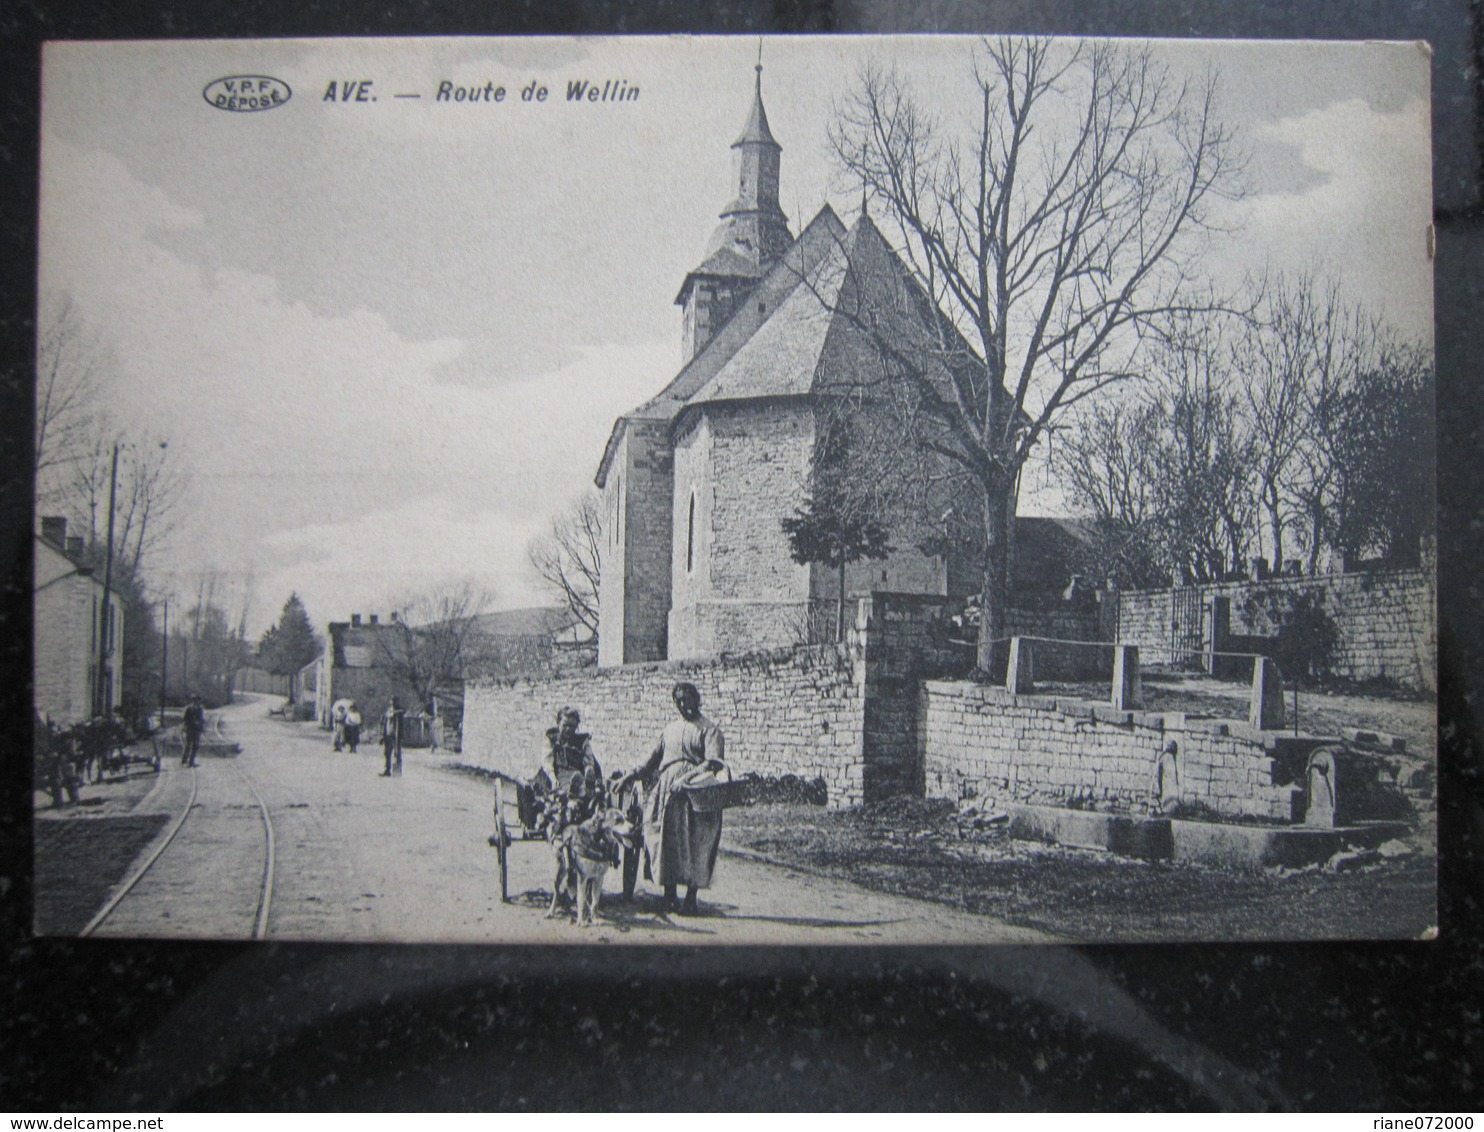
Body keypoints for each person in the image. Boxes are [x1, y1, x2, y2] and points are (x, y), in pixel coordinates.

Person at [621, 681, 725, 916]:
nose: (682, 704)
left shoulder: (709, 729)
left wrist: (688, 777)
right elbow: (652, 760)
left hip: (696, 794)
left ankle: (690, 898)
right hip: (667, 792)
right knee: (663, 840)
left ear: (696, 699)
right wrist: (630, 775)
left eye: (686, 699)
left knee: (695, 845)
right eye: (678, 700)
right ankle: (669, 897)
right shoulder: (670, 729)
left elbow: (713, 763)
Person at [380, 697, 404, 777]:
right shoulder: (389, 711)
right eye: (391, 701)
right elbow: (385, 721)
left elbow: (400, 714)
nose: (392, 703)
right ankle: (387, 770)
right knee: (387, 753)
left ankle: (397, 771)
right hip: (388, 734)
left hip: (395, 735)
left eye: (394, 701)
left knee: (397, 753)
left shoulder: (399, 711)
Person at [181, 697, 205, 767]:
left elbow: (202, 719)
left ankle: (191, 761)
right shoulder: (188, 709)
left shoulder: (200, 709)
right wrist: (192, 723)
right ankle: (184, 760)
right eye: (195, 701)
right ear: (192, 701)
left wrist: (200, 724)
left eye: (197, 701)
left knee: (196, 745)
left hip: (197, 729)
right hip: (189, 729)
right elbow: (185, 719)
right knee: (188, 745)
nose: (196, 702)